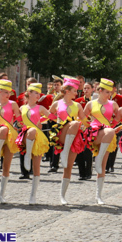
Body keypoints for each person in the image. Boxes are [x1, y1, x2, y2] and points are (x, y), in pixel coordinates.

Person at [49, 76, 86, 205]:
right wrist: (58, 124)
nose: (77, 93)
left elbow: (85, 121)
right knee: (75, 123)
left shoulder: (78, 105)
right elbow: (50, 115)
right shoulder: (57, 103)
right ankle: (64, 151)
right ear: (68, 91)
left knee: (68, 167)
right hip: (61, 134)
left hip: (73, 137)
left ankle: (62, 196)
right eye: (75, 91)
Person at [82, 79, 120, 205]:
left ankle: (98, 195)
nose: (109, 94)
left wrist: (115, 126)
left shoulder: (113, 104)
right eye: (106, 92)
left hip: (107, 136)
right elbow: (83, 118)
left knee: (102, 165)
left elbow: (119, 117)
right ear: (99, 91)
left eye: (110, 92)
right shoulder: (91, 104)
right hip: (95, 134)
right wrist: (88, 128)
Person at [17, 83, 51, 204]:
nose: (38, 95)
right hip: (26, 134)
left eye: (39, 93)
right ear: (29, 93)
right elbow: (18, 121)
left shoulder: (40, 108)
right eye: (36, 93)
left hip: (38, 136)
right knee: (31, 130)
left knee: (37, 167)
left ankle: (33, 195)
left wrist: (42, 120)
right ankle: (27, 156)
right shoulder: (22, 108)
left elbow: (51, 117)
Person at [0, 79, 21, 203]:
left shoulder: (13, 104)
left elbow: (18, 119)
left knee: (6, 166)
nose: (7, 95)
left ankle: (2, 194)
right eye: (5, 92)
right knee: (2, 129)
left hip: (10, 135)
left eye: (9, 93)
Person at [75, 82, 94, 181]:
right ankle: (81, 173)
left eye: (88, 88)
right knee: (79, 150)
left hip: (91, 127)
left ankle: (88, 172)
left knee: (88, 150)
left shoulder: (95, 101)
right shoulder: (78, 101)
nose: (86, 90)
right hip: (80, 126)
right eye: (85, 88)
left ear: (92, 89)